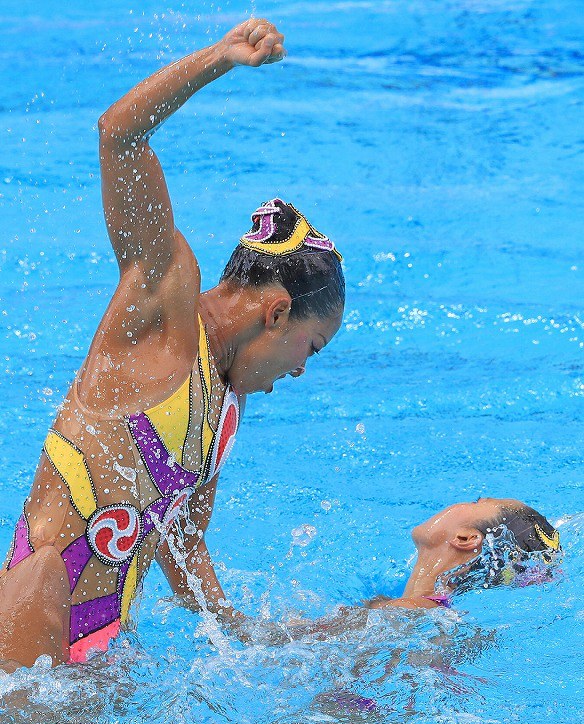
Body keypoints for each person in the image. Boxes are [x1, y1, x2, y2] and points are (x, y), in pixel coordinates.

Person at [0, 19, 344, 670]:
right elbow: (119, 134)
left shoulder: (224, 409)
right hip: (32, 617)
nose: (301, 371)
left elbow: (180, 542)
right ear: (277, 313)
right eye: (313, 347)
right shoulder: (163, 302)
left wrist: (245, 635)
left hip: (102, 648)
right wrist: (221, 57)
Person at [283, 497, 561, 639]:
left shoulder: (405, 612)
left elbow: (278, 641)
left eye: (477, 502)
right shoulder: (415, 610)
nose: (462, 502)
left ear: (466, 539)